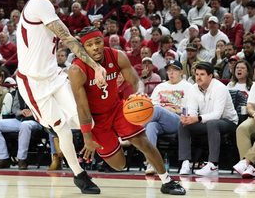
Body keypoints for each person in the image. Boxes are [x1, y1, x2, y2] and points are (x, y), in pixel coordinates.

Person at [15, 0, 106, 195]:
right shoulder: (39, 4)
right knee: (62, 129)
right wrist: (96, 66)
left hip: (54, 75)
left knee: (86, 121)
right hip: (33, 83)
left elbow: (66, 39)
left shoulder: (44, 6)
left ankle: (98, 144)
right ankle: (80, 175)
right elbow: (67, 38)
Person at [68, 26, 186, 195]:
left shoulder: (117, 56)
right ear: (83, 47)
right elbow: (82, 107)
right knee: (119, 165)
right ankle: (116, 142)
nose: (95, 47)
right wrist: (87, 138)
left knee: (144, 142)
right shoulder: (76, 69)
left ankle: (167, 181)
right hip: (96, 119)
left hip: (117, 109)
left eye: (98, 42)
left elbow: (136, 80)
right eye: (90, 44)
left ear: (104, 41)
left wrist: (139, 92)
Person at [178, 62, 238, 176]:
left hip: (228, 122)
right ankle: (185, 162)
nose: (198, 77)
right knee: (183, 124)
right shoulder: (193, 88)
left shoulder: (220, 88)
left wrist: (197, 118)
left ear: (210, 76)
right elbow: (192, 110)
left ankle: (213, 165)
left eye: (202, 74)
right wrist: (188, 118)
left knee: (213, 123)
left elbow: (217, 114)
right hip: (206, 121)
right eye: (196, 74)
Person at [0, 88, 42, 169]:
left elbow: (45, 107)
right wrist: (21, 112)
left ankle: (22, 159)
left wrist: (33, 112)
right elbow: (14, 108)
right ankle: (4, 158)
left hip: (37, 120)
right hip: (20, 119)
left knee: (25, 125)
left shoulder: (41, 88)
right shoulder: (20, 89)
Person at [233, 77, 255, 178]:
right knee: (242, 128)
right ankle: (249, 168)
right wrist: (254, 114)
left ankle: (246, 162)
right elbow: (249, 105)